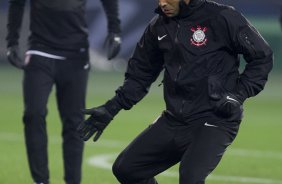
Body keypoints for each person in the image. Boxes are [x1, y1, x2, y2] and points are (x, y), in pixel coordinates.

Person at [77, 0, 273, 183]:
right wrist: (111, 108)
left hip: (216, 117)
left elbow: (262, 57)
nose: (162, 3)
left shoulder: (221, 17)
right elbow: (140, 75)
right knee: (126, 169)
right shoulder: (157, 27)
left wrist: (237, 95)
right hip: (175, 119)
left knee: (190, 177)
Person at [6, 0, 121, 183]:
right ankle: (41, 181)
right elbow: (17, 3)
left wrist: (115, 30)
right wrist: (12, 41)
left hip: (75, 54)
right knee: (33, 113)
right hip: (40, 51)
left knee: (74, 122)